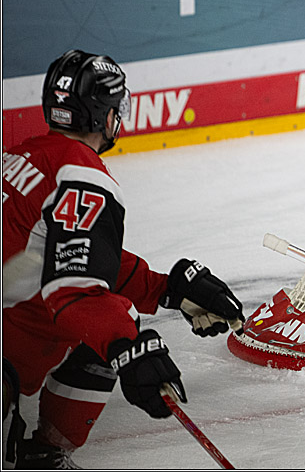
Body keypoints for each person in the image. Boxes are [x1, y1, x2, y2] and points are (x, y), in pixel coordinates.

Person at [3, 50, 245, 469]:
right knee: (114, 326)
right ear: (104, 114)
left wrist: (165, 289)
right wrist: (128, 346)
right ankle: (44, 454)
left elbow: (65, 253)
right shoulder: (82, 173)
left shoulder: (22, 157)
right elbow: (75, 285)